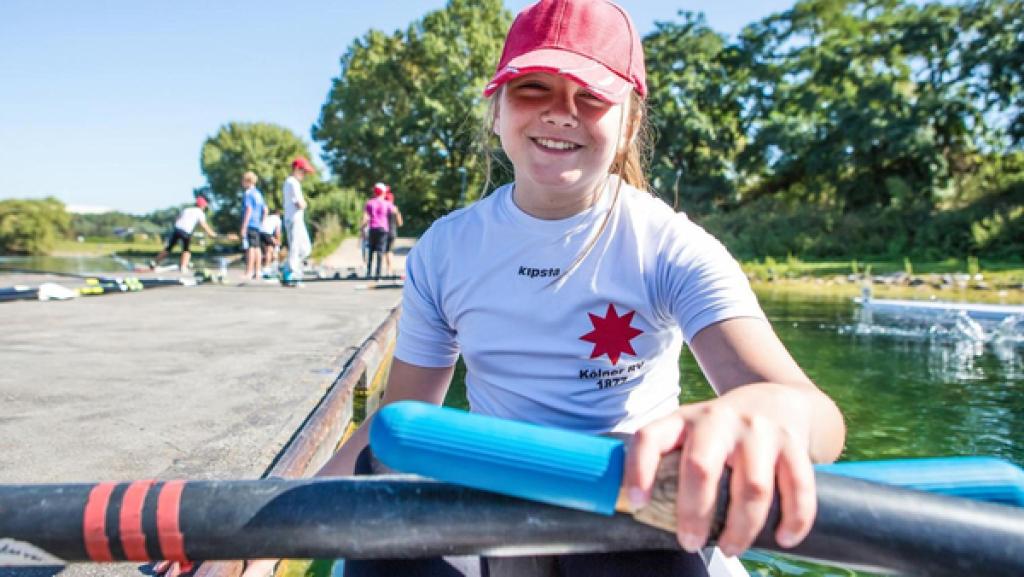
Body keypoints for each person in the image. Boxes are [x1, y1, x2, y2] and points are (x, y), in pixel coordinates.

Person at [249, 2, 845, 577]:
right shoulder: (445, 249)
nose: (561, 113)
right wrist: (262, 531)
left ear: (630, 120)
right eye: (534, 87)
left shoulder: (670, 245)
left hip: (634, 512)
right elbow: (396, 424)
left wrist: (762, 415)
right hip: (497, 504)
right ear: (498, 108)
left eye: (590, 96)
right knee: (387, 498)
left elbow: (818, 418)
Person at [151, 196, 217, 273]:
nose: (205, 207)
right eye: (205, 206)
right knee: (186, 250)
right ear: (202, 205)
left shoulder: (187, 209)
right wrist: (211, 233)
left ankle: (154, 262)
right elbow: (203, 225)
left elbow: (177, 219)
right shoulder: (200, 212)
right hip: (185, 231)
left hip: (177, 229)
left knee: (169, 248)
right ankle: (183, 267)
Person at [283, 157, 315, 284]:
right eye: (303, 171)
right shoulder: (293, 182)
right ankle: (291, 274)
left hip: (294, 219)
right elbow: (299, 203)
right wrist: (305, 204)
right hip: (294, 219)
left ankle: (288, 269)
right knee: (296, 247)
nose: (305, 175)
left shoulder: (290, 182)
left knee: (305, 249)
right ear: (296, 169)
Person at [362, 182, 396, 281]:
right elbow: (394, 211)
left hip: (372, 228)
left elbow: (366, 217)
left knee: (371, 251)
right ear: (383, 192)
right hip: (383, 229)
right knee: (380, 252)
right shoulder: (387, 203)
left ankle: (368, 273)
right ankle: (378, 275)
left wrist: (362, 228)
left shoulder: (370, 202)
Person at [240, 171, 268, 280]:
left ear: (248, 181)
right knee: (257, 248)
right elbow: (265, 210)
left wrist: (244, 226)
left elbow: (248, 209)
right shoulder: (258, 194)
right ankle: (258, 271)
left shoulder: (248, 194)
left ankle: (249, 271)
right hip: (257, 224)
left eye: (243, 180)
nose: (242, 183)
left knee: (251, 248)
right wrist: (262, 222)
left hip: (250, 222)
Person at [382, 189, 404, 277]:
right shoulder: (395, 209)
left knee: (386, 251)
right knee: (389, 251)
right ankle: (389, 269)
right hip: (393, 232)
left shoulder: (383, 208)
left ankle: (389, 269)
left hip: (384, 232)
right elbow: (400, 223)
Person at [260, 208, 283, 277]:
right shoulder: (278, 219)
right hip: (267, 233)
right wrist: (278, 241)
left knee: (264, 251)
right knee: (269, 250)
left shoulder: (269, 217)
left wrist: (274, 240)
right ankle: (267, 268)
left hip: (260, 232)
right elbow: (277, 232)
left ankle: (262, 267)